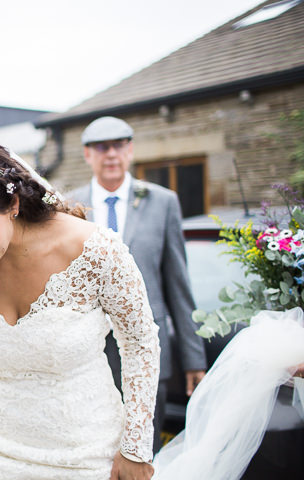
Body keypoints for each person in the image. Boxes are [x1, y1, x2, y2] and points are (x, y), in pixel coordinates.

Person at [0, 138, 160, 480]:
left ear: (12, 203)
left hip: (86, 457)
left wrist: (136, 447)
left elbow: (140, 343)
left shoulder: (96, 251)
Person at [67, 116, 207, 452]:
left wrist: (194, 359)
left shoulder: (163, 201)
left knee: (144, 448)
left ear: (130, 150)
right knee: (94, 448)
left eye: (118, 145)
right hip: (87, 352)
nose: (111, 154)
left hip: (148, 351)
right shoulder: (69, 204)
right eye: (102, 147)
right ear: (88, 155)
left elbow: (178, 284)